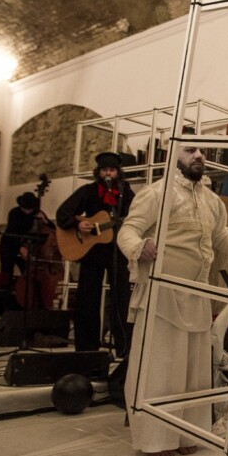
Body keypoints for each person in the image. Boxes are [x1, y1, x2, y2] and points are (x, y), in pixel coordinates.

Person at [117, 145, 228, 456]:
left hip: (197, 294)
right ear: (172, 157)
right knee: (161, 369)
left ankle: (185, 432)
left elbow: (221, 238)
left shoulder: (212, 200)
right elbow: (127, 230)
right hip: (162, 296)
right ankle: (155, 438)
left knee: (193, 370)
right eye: (189, 150)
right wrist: (139, 247)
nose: (198, 156)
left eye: (201, 152)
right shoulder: (156, 194)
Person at [56, 152, 135, 356]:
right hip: (92, 251)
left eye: (112, 170)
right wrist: (78, 223)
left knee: (122, 299)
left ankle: (124, 349)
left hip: (118, 251)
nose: (108, 173)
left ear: (118, 172)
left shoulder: (126, 192)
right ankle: (87, 350)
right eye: (104, 170)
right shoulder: (88, 191)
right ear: (98, 172)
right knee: (87, 299)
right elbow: (62, 213)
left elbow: (135, 216)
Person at [0, 192, 39, 287]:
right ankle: (3, 296)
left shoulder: (37, 213)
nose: (27, 211)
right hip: (8, 245)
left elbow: (50, 227)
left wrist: (45, 220)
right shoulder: (14, 213)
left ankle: (23, 295)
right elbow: (13, 232)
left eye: (30, 209)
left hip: (25, 246)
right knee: (6, 272)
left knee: (26, 272)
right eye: (25, 208)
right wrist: (20, 247)